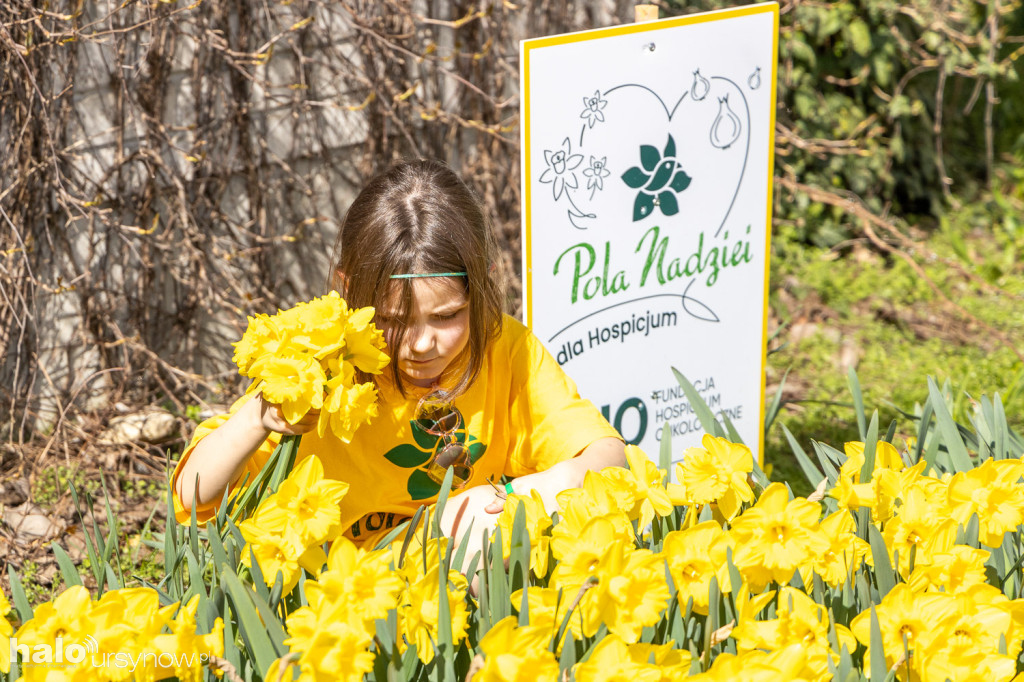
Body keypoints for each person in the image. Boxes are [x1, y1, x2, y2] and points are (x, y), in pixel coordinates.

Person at [173, 159, 626, 554]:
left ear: (482, 285)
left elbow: (608, 455)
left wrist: (534, 489)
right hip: (354, 590)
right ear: (348, 289)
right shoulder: (327, 364)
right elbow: (195, 499)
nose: (422, 344)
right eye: (394, 319)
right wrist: (259, 417)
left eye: (447, 316)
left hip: (469, 568)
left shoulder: (503, 347)